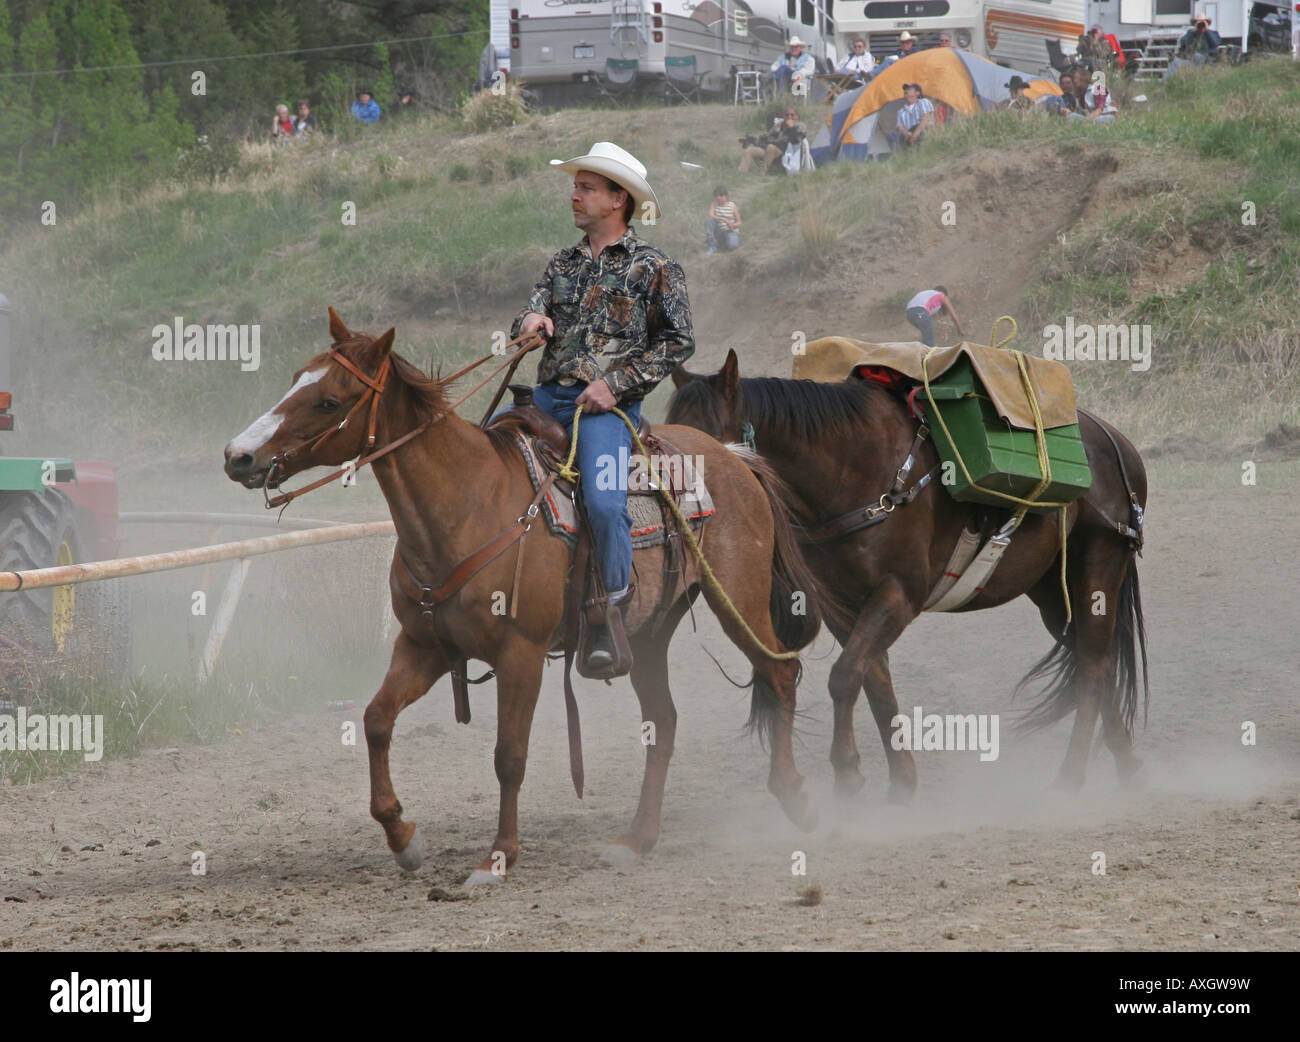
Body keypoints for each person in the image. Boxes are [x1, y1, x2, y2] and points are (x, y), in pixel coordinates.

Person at [511, 142, 694, 674]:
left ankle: (608, 617)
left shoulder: (655, 267)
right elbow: (532, 306)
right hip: (547, 398)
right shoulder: (562, 263)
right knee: (477, 457)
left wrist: (616, 385)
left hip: (607, 412)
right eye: (577, 186)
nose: (575, 195)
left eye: (587, 188)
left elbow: (678, 342)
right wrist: (528, 322)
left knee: (606, 504)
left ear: (618, 199)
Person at [738, 107, 806, 173]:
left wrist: (791, 128)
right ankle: (741, 173)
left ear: (797, 117)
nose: (789, 117)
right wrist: (749, 138)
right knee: (750, 150)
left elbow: (797, 140)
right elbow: (765, 137)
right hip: (769, 150)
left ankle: (761, 173)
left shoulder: (800, 126)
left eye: (792, 115)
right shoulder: (779, 125)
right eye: (787, 115)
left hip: (786, 153)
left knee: (771, 147)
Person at [887, 83, 934, 151]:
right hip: (909, 135)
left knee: (922, 131)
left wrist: (915, 134)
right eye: (905, 90)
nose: (906, 91)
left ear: (917, 93)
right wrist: (906, 133)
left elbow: (926, 119)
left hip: (923, 131)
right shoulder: (901, 111)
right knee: (891, 134)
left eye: (909, 89)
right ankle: (901, 155)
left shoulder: (923, 102)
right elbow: (900, 127)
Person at [706, 186, 741, 254]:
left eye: (721, 195)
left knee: (733, 245)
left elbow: (739, 222)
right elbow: (711, 215)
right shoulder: (714, 204)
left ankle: (723, 244)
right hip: (720, 231)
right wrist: (724, 219)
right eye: (716, 196)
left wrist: (732, 225)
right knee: (710, 221)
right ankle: (712, 246)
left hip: (730, 230)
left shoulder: (732, 205)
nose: (718, 198)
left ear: (726, 196)